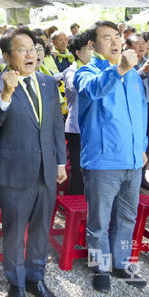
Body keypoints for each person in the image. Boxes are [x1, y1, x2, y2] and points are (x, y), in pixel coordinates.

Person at [0, 27, 66, 297]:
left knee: (42, 228)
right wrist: (6, 93)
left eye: (33, 48)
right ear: (7, 56)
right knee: (15, 231)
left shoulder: (47, 82)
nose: (30, 54)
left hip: (46, 171)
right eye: (22, 50)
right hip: (14, 172)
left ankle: (35, 278)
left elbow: (56, 126)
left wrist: (61, 163)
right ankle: (16, 284)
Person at [73, 20, 148, 293]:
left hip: (133, 160)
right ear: (92, 45)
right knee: (99, 221)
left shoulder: (134, 75)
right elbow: (94, 90)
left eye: (117, 36)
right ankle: (100, 267)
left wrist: (142, 146)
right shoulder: (86, 72)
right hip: (103, 161)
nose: (115, 42)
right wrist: (120, 69)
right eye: (107, 38)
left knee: (127, 217)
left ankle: (120, 263)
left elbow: (142, 112)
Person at [126, 34, 149, 191]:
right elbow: (127, 82)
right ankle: (131, 178)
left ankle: (142, 177)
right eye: (137, 44)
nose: (141, 47)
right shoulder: (125, 63)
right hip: (132, 108)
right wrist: (141, 70)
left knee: (147, 144)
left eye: (143, 44)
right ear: (128, 47)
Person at [62, 32, 91, 195]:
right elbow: (76, 86)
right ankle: (75, 203)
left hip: (92, 127)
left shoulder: (96, 68)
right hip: (77, 128)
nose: (92, 53)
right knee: (79, 170)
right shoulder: (71, 71)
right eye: (88, 49)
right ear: (78, 52)